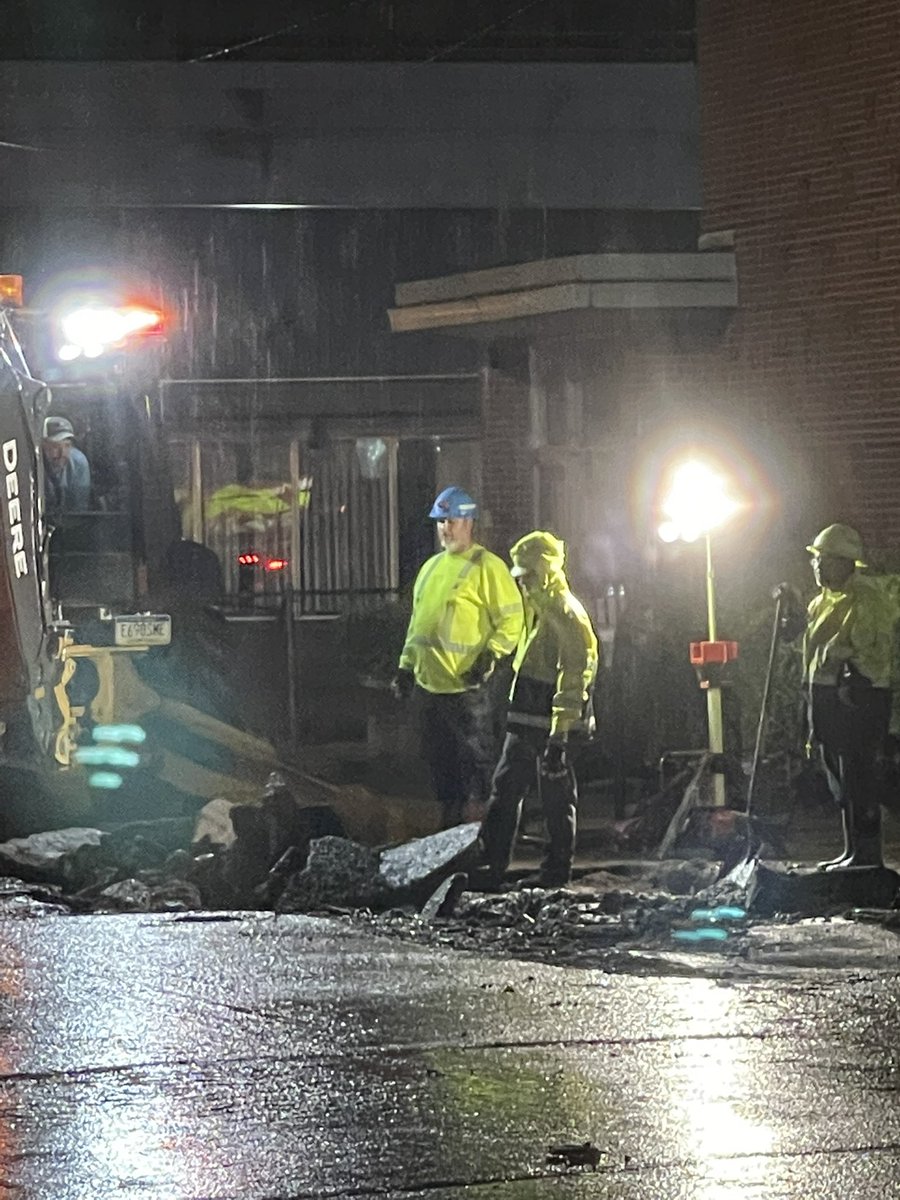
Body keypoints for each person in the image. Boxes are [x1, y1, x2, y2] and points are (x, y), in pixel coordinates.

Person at [392, 486, 524, 828]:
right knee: (440, 764)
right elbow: (418, 625)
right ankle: (450, 828)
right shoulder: (432, 568)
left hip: (467, 688)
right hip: (430, 686)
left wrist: (490, 656)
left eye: (450, 521)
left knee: (476, 764)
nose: (444, 529)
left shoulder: (488, 568)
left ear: (468, 522)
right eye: (439, 522)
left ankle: (482, 832)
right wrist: (406, 667)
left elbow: (512, 621)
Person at [478, 530, 599, 888]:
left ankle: (555, 874)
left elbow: (573, 679)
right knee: (506, 791)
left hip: (552, 730)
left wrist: (559, 738)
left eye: (527, 575)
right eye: (520, 577)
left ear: (544, 572)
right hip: (530, 724)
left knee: (556, 801)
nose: (522, 583)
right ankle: (490, 865)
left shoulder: (567, 615)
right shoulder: (541, 612)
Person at [779, 523, 896, 870]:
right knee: (840, 780)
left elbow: (872, 650)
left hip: (858, 697)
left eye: (825, 560)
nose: (817, 566)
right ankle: (852, 852)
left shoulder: (868, 599)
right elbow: (807, 649)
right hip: (827, 696)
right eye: (816, 559)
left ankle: (868, 856)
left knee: (859, 777)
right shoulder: (821, 603)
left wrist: (851, 678)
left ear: (846, 562)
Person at [41, 416, 91, 512]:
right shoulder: (31, 466)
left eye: (67, 446)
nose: (62, 453)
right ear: (42, 446)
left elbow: (79, 510)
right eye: (55, 446)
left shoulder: (78, 463)